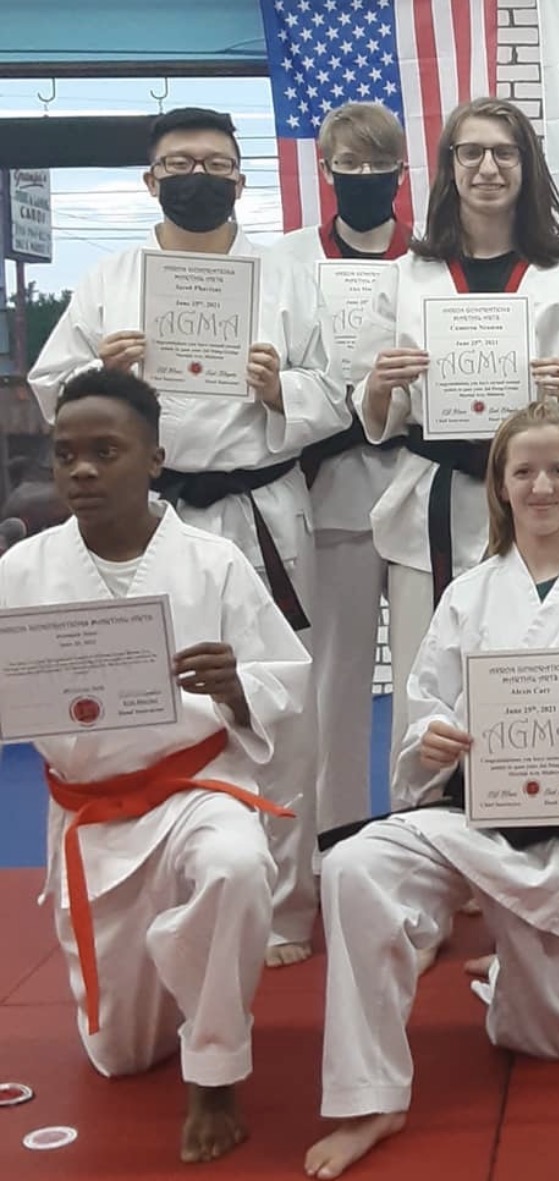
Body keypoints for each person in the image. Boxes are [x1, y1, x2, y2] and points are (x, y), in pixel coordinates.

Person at [302, 399, 559, 1179]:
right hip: (474, 819)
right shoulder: (469, 593)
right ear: (501, 486)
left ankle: (513, 976)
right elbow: (425, 708)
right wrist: (431, 739)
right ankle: (371, 1094)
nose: (542, 485)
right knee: (354, 865)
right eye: (525, 471)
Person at [28, 106, 346, 966]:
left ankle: (284, 903)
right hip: (148, 518)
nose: (195, 176)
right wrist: (104, 377)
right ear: (150, 180)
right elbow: (54, 387)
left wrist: (281, 390)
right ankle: (157, 880)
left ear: (241, 179)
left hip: (260, 509)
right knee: (151, 694)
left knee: (278, 699)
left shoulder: (285, 276)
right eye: (177, 164)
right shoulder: (111, 277)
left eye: (213, 163)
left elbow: (337, 391)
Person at [0, 369, 311, 1161]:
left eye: (105, 452)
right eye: (65, 454)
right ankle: (179, 977)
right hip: (92, 811)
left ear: (155, 458)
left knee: (237, 863)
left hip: (193, 789)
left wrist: (237, 686)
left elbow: (287, 674)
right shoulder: (20, 571)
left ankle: (215, 1069)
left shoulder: (213, 563)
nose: (81, 470)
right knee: (123, 1054)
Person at [351, 97, 559, 768]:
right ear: (449, 167)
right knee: (424, 681)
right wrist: (382, 383)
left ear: (527, 166)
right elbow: (372, 405)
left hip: (538, 503)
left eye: (504, 152)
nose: (487, 168)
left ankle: (545, 802)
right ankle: (424, 811)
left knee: (535, 674)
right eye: (470, 152)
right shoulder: (408, 275)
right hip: (432, 503)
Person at [272, 102, 411, 836]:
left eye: (378, 164)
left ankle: (422, 835)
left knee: (421, 677)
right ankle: (334, 837)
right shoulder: (289, 260)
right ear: (325, 170)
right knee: (335, 677)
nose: (364, 176)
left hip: (419, 483)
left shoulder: (431, 255)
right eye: (348, 164)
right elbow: (282, 365)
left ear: (401, 172)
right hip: (331, 487)